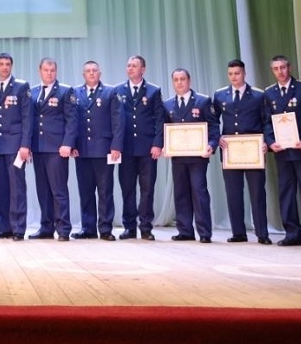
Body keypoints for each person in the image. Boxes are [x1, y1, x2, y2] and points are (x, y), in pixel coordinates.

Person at [263, 55, 301, 247]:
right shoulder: (269, 93)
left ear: (289, 68)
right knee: (286, 193)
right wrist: (271, 142)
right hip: (282, 151)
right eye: (276, 68)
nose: (280, 72)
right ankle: (292, 234)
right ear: (272, 71)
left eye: (283, 67)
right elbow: (266, 122)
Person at [213, 60, 271, 244]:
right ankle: (238, 232)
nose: (234, 77)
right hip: (230, 150)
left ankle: (262, 233)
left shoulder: (258, 95)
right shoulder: (220, 95)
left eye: (237, 73)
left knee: (257, 193)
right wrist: (217, 137)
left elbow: (267, 121)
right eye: (230, 74)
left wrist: (267, 142)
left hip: (253, 150)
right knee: (233, 193)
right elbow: (213, 120)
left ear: (244, 73)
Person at [164, 68, 218, 243]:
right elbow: (164, 129)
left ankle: (204, 232)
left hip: (198, 157)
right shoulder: (167, 104)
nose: (179, 82)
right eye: (176, 80)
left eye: (182, 79)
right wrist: (164, 146)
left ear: (189, 81)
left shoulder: (203, 101)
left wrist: (211, 145)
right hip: (178, 157)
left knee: (199, 191)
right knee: (181, 193)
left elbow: (213, 127)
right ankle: (185, 230)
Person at [116, 55, 164, 241]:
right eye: (128, 65)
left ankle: (145, 227)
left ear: (143, 69)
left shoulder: (153, 91)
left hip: (147, 149)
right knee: (127, 189)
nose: (130, 68)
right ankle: (129, 227)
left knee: (147, 189)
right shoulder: (118, 90)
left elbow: (159, 119)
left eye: (134, 66)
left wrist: (157, 143)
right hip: (126, 148)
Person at [73, 60, 123, 240]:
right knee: (85, 191)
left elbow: (118, 121)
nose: (92, 73)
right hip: (82, 150)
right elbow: (72, 121)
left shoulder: (110, 92)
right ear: (83, 74)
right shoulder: (75, 93)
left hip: (104, 150)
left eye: (94, 70)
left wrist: (116, 146)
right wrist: (72, 145)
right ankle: (88, 228)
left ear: (100, 73)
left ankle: (105, 228)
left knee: (105, 191)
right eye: (88, 71)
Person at [29, 58, 77, 241]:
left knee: (58, 190)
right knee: (43, 191)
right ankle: (46, 227)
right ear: (40, 71)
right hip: (38, 147)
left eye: (52, 70)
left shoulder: (65, 91)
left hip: (57, 148)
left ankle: (63, 228)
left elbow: (72, 120)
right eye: (46, 70)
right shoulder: (33, 92)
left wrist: (67, 144)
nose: (49, 73)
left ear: (56, 71)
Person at [0, 53, 32, 240]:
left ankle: (18, 228)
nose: (4, 67)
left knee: (17, 188)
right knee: (1, 188)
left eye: (8, 64)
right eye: (1, 64)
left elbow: (27, 118)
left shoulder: (21, 87)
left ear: (11, 66)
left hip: (15, 146)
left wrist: (25, 145)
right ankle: (4, 227)